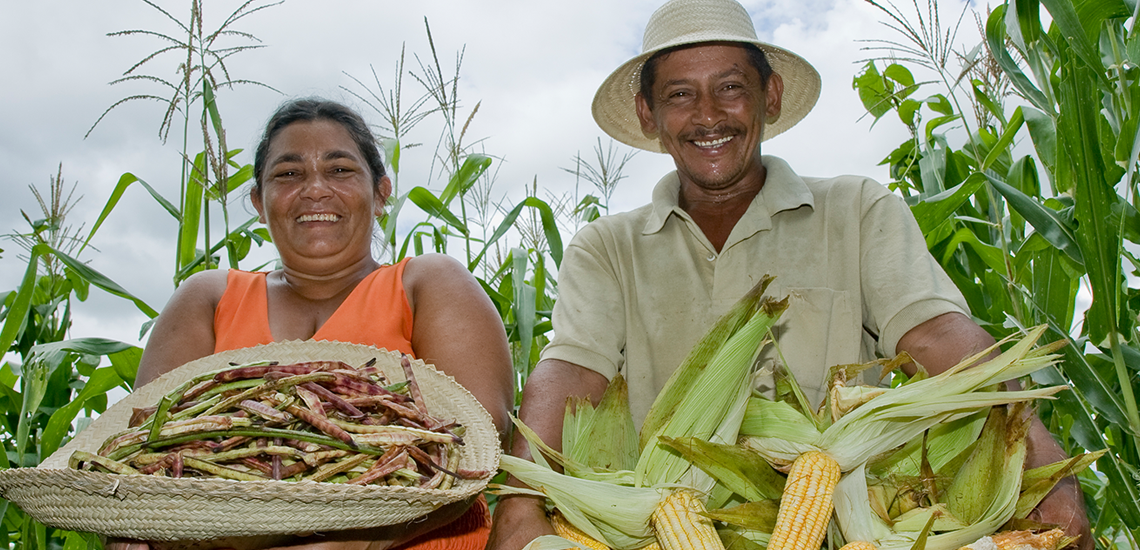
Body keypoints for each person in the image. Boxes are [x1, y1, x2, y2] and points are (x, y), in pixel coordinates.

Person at [485, 0, 1091, 549]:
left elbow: (934, 334)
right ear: (648, 113)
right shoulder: (607, 247)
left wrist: (1030, 448)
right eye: (678, 95)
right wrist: (520, 507)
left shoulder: (856, 210)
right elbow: (572, 370)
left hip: (839, 527)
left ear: (770, 96)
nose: (708, 116)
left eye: (730, 88)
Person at [112, 98, 514, 550]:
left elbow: (480, 439)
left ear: (381, 194)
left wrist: (357, 540)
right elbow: (146, 451)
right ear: (258, 204)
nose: (315, 189)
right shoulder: (208, 298)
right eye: (288, 174)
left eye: (340, 169)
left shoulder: (428, 283)